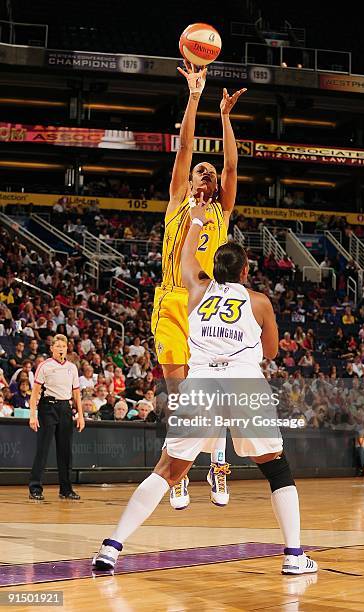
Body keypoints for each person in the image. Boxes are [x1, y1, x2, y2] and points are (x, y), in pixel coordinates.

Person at [93, 199, 318, 576]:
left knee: (166, 471)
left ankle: (111, 549)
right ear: (245, 270)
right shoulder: (259, 301)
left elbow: (185, 254)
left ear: (212, 269)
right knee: (277, 469)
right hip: (244, 383)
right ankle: (294, 555)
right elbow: (272, 350)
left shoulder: (196, 290)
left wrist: (196, 219)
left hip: (200, 384)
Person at [150, 60, 246, 509]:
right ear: (189, 181)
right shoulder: (176, 202)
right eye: (199, 172)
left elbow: (231, 164)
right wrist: (194, 97)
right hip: (172, 299)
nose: (206, 174)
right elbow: (186, 145)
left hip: (210, 303)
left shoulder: (222, 210)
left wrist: (224, 118)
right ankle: (178, 470)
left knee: (215, 388)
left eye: (210, 173)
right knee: (178, 389)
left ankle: (218, 464)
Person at [28, 334, 85, 501]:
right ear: (52, 348)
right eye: (58, 346)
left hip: (65, 408)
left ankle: (66, 490)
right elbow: (35, 394)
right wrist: (33, 415)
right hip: (48, 407)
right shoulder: (44, 366)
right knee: (43, 449)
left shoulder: (72, 368)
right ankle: (35, 487)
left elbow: (76, 394)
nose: (61, 349)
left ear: (67, 348)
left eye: (63, 346)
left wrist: (80, 415)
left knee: (65, 451)